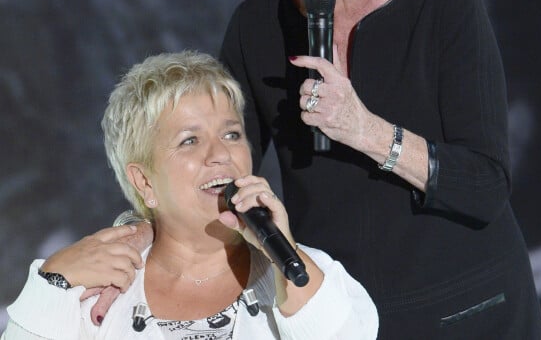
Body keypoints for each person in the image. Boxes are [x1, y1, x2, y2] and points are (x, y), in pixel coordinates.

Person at [218, 0, 541, 339]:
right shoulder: (256, 25)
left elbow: (485, 184)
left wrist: (365, 130)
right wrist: (141, 239)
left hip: (471, 308)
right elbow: (224, 163)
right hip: (346, 317)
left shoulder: (444, 1)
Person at [2, 50, 378, 339]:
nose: (220, 155)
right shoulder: (90, 287)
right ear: (144, 182)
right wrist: (51, 282)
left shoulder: (311, 272)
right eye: (190, 140)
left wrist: (283, 253)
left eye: (231, 134)